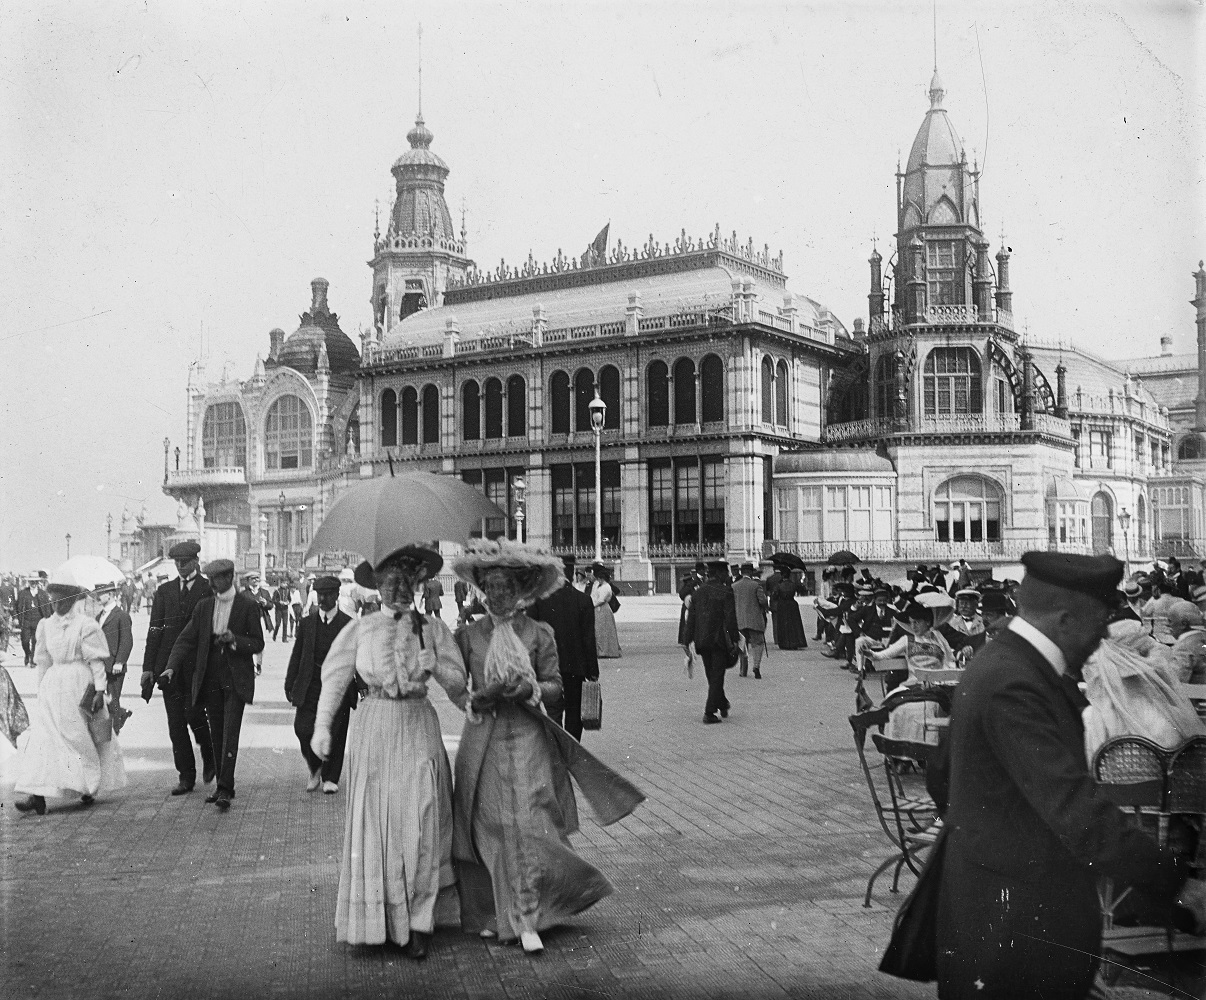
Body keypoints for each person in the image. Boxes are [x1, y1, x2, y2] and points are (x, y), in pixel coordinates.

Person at [935, 551, 1206, 999]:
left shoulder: (1005, 664)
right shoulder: (1016, 682)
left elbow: (940, 780)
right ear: (1065, 619)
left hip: (1002, 916)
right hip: (1017, 932)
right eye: (1099, 626)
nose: (1102, 640)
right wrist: (1176, 883)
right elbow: (1075, 810)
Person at [450, 539, 641, 954]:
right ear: (482, 588)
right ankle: (496, 912)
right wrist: (475, 699)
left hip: (529, 738)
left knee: (532, 822)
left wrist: (531, 687)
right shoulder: (468, 636)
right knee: (489, 827)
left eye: (506, 585)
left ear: (521, 589)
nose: (499, 593)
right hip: (482, 744)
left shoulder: (539, 633)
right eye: (492, 585)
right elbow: (456, 689)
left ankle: (529, 915)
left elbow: (556, 689)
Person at [311, 546, 466, 958]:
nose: (397, 587)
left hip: (418, 724)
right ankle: (380, 921)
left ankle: (419, 921)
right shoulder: (361, 628)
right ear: (376, 585)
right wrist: (322, 727)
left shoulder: (431, 627)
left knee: (424, 816)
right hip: (375, 726)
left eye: (405, 580)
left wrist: (438, 665)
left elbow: (458, 686)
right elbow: (335, 677)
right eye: (388, 580)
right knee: (378, 823)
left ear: (417, 585)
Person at [14, 565, 128, 814]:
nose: (57, 606)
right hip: (54, 687)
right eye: (53, 601)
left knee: (79, 737)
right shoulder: (45, 625)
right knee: (45, 738)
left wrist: (99, 691)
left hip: (79, 685)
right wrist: (41, 691)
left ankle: (88, 784)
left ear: (72, 600)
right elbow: (43, 660)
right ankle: (37, 793)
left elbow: (96, 662)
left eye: (61, 601)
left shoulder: (86, 626)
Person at [161, 559, 265, 811]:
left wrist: (235, 640)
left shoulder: (248, 605)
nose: (211, 584)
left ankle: (226, 788)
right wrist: (171, 666)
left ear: (229, 577)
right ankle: (221, 785)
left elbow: (258, 643)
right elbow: (186, 639)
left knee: (230, 733)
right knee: (217, 733)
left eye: (216, 579)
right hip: (210, 680)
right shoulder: (204, 606)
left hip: (235, 680)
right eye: (209, 579)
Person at [142, 541, 216, 796]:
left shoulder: (208, 589)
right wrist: (148, 667)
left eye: (185, 562)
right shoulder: (164, 591)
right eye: (177, 563)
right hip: (168, 669)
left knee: (195, 715)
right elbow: (155, 630)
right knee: (175, 724)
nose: (181, 567)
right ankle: (186, 776)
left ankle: (208, 752)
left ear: (196, 561)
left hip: (197, 667)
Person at [285, 576, 354, 793]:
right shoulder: (307, 623)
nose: (322, 599)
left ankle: (330, 777)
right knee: (302, 728)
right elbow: (297, 655)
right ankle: (314, 766)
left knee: (337, 731)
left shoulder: (348, 624)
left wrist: (363, 688)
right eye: (319, 594)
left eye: (327, 594)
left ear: (336, 595)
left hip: (340, 686)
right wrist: (290, 683)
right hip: (311, 684)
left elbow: (356, 659)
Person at [529, 554, 599, 740]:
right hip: (575, 667)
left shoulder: (537, 601)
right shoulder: (583, 600)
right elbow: (588, 639)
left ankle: (557, 748)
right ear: (571, 573)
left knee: (552, 711)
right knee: (574, 712)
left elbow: (531, 638)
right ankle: (572, 749)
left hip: (546, 668)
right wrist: (593, 670)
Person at [686, 561, 740, 724]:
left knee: (712, 673)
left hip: (702, 639)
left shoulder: (698, 592)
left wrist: (687, 640)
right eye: (726, 573)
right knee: (717, 675)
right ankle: (709, 712)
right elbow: (730, 618)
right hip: (719, 640)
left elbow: (691, 619)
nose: (728, 576)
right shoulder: (725, 591)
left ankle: (722, 703)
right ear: (720, 574)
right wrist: (736, 639)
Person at [95, 581, 134, 734]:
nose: (98, 597)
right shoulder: (99, 616)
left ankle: (114, 731)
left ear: (110, 595)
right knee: (103, 699)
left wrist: (120, 661)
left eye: (101, 594)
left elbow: (126, 641)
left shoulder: (121, 616)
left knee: (113, 698)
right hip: (100, 665)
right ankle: (121, 714)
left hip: (114, 666)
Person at [732, 563, 768, 679]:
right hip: (755, 620)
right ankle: (756, 666)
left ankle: (743, 670)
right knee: (758, 643)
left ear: (741, 572)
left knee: (742, 645)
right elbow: (763, 601)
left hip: (739, 620)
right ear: (751, 572)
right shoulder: (756, 585)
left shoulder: (734, 586)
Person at [768, 560, 807, 650]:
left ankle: (785, 643)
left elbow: (774, 596)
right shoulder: (793, 584)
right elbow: (801, 590)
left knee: (783, 624)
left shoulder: (779, 585)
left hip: (782, 604)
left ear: (782, 575)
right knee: (794, 624)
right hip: (792, 604)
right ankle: (795, 642)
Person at [16, 573, 52, 666]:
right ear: (29, 582)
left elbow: (47, 607)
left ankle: (32, 660)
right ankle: (27, 654)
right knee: (25, 641)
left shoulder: (43, 594)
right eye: (32, 581)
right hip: (26, 621)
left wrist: (48, 619)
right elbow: (18, 607)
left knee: (36, 641)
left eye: (35, 581)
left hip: (38, 621)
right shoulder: (23, 593)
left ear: (38, 582)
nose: (34, 583)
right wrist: (16, 618)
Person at [588, 562, 621, 659]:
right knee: (600, 630)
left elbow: (600, 600)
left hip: (602, 609)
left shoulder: (606, 586)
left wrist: (591, 605)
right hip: (598, 609)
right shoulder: (598, 585)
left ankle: (606, 650)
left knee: (604, 630)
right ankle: (601, 650)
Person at [272, 577, 291, 641]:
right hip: (278, 609)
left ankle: (284, 638)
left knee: (285, 624)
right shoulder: (277, 591)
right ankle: (275, 634)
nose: (285, 585)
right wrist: (279, 602)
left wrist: (288, 602)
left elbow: (289, 599)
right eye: (284, 583)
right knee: (278, 623)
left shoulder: (288, 591)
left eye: (286, 583)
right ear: (281, 583)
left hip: (285, 609)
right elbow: (273, 600)